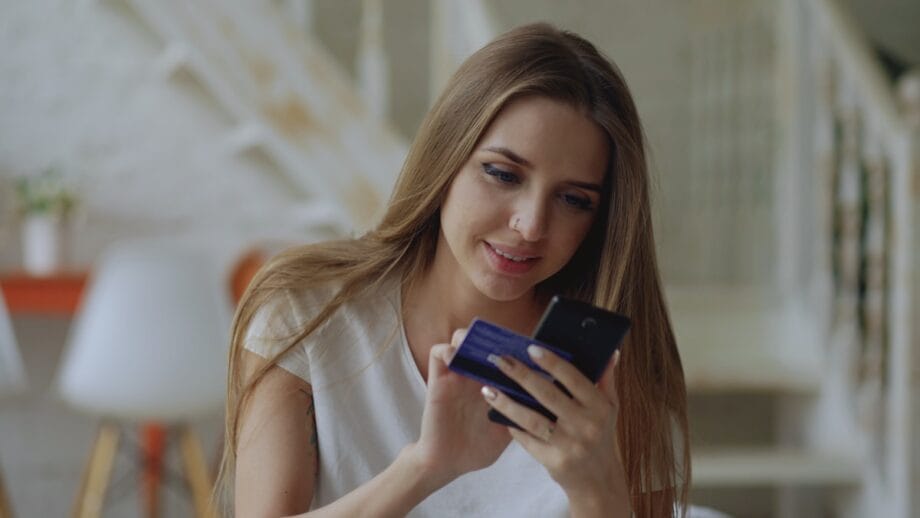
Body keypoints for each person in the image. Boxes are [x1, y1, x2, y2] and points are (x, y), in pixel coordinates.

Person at [217, 22, 690, 518]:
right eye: (502, 174)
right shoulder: (306, 312)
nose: (531, 225)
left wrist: (598, 493)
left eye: (573, 199)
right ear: (446, 159)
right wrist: (425, 467)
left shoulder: (624, 377)